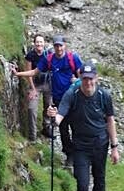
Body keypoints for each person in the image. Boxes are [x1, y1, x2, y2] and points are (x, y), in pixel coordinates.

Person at [48, 61, 120, 191]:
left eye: (90, 79)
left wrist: (114, 147)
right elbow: (60, 116)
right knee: (82, 185)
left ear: (96, 78)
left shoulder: (105, 96)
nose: (88, 82)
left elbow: (110, 121)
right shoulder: (72, 95)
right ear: (80, 79)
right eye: (84, 79)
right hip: (80, 147)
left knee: (100, 179)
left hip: (100, 145)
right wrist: (53, 116)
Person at [12, 36, 82, 164]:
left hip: (74, 98)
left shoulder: (73, 58)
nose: (59, 48)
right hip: (59, 99)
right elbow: (34, 72)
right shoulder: (49, 59)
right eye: (56, 46)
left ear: (64, 46)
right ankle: (69, 154)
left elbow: (83, 76)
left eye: (60, 45)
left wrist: (77, 81)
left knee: (77, 127)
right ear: (54, 46)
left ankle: (79, 154)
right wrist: (18, 74)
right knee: (63, 128)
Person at [25, 34, 51, 142]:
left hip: (48, 84)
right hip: (35, 84)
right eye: (37, 42)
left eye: (41, 42)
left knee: (48, 107)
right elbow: (28, 73)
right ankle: (32, 135)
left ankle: (47, 127)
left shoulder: (49, 54)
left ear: (44, 43)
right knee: (32, 108)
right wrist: (33, 89)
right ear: (34, 43)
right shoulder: (30, 55)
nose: (39, 44)